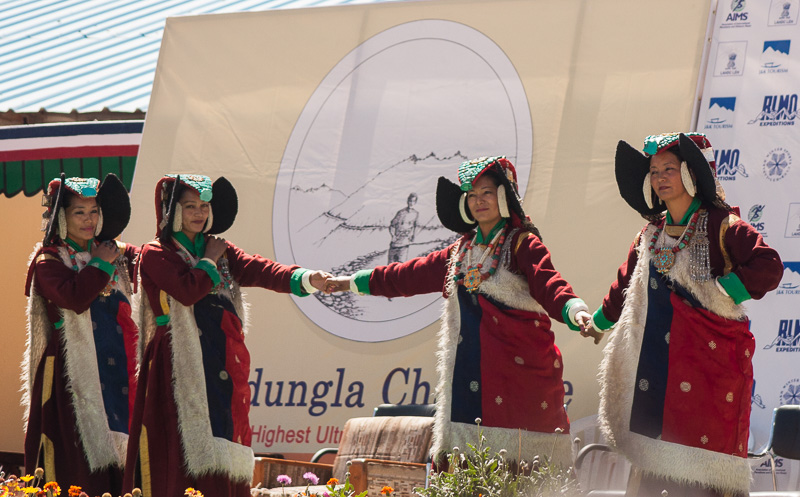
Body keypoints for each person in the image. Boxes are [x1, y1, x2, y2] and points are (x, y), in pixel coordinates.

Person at [327, 157, 598, 466]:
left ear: (504, 196)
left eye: (487, 192)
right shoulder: (459, 252)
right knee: (464, 461)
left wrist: (575, 311)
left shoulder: (522, 244)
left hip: (519, 376)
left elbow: (550, 283)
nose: (478, 201)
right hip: (468, 378)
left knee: (522, 466)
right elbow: (405, 276)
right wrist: (350, 282)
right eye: (471, 195)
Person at [590, 133, 783, 496]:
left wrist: (724, 291)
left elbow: (769, 265)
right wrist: (597, 321)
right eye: (654, 171)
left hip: (708, 369)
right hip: (657, 369)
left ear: (691, 173)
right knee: (654, 460)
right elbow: (624, 285)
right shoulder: (650, 233)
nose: (660, 177)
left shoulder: (722, 224)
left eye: (669, 169)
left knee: (703, 467)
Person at [123, 174, 331, 497]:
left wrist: (305, 278)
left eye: (204, 206)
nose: (199, 213)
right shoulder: (156, 253)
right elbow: (186, 291)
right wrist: (209, 260)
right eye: (190, 206)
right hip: (175, 364)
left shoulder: (219, 248)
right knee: (178, 447)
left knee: (224, 438)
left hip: (219, 358)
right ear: (172, 210)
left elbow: (259, 269)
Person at [23, 174, 139, 496]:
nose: (89, 219)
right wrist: (100, 263)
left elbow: (154, 262)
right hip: (70, 376)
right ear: (61, 217)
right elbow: (74, 299)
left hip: (117, 370)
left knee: (121, 453)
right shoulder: (49, 260)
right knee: (77, 461)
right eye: (79, 212)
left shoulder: (116, 252)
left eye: (94, 211)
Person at [388, 192, 419, 263]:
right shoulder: (401, 213)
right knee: (391, 264)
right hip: (395, 244)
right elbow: (392, 225)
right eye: (410, 201)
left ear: (415, 203)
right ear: (407, 201)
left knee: (402, 264)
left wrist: (413, 236)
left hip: (405, 244)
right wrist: (393, 236)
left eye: (413, 201)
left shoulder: (416, 214)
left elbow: (416, 226)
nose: (411, 203)